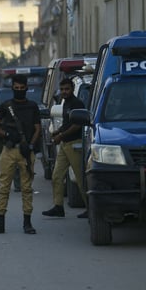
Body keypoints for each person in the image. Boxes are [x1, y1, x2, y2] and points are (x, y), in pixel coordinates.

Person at [0, 74, 41, 235]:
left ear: (26, 88)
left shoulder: (32, 106)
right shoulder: (5, 106)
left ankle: (27, 222)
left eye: (21, 88)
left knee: (26, 188)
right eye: (16, 88)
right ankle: (0, 221)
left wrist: (30, 145)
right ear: (12, 88)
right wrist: (7, 135)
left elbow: (37, 128)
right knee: (4, 187)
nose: (19, 91)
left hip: (25, 152)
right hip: (9, 150)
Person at [42, 78, 87, 219]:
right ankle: (58, 206)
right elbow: (68, 123)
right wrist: (58, 131)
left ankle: (91, 208)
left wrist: (60, 135)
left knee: (81, 179)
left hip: (75, 144)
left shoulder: (77, 103)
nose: (64, 92)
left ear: (72, 89)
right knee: (56, 176)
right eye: (62, 89)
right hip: (65, 145)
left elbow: (77, 125)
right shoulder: (66, 103)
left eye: (67, 89)